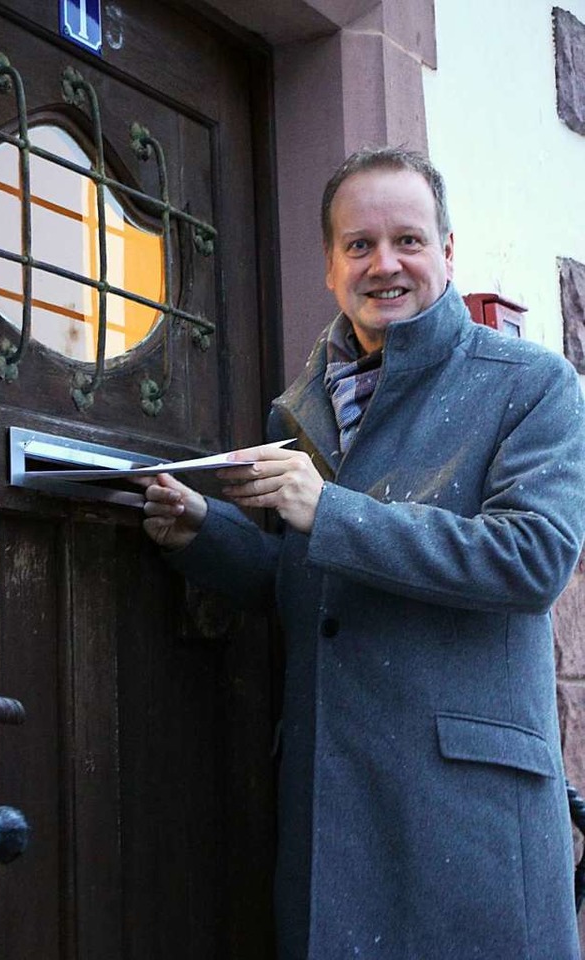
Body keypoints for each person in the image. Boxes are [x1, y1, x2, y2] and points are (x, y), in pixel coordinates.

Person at [143, 148, 585, 960]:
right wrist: (205, 532)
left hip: (469, 818)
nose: (385, 264)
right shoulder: (304, 404)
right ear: (329, 265)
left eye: (408, 241)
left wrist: (330, 510)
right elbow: (314, 588)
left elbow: (532, 559)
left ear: (448, 252)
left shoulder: (533, 383)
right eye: (359, 245)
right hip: (333, 811)